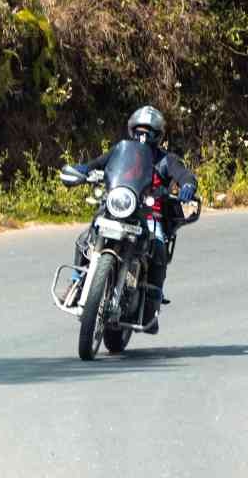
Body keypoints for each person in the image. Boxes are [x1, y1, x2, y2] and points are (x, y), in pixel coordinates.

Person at [63, 105, 197, 334]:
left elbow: (185, 176)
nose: (144, 135)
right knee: (85, 237)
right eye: (140, 130)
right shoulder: (120, 151)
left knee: (158, 247)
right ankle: (75, 283)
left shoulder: (167, 160)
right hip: (119, 206)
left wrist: (187, 186)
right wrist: (82, 170)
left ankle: (152, 306)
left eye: (150, 131)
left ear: (158, 135)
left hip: (150, 214)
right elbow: (96, 164)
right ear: (132, 130)